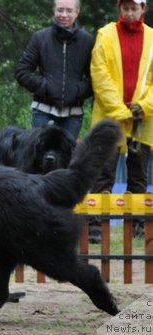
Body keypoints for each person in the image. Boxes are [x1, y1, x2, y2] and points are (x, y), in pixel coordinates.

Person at [88, 0, 153, 243]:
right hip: (109, 117)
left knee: (139, 175)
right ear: (119, 9)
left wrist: (143, 106)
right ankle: (96, 225)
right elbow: (99, 74)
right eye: (124, 8)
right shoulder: (105, 35)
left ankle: (137, 225)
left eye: (133, 8)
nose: (128, 12)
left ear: (143, 9)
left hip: (143, 119)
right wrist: (120, 110)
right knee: (101, 173)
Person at [15, 0, 94, 139]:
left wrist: (78, 90)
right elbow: (22, 71)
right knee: (40, 157)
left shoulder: (87, 41)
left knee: (66, 158)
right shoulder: (40, 38)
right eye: (60, 10)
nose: (64, 15)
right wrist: (44, 86)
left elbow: (95, 77)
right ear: (54, 11)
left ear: (77, 12)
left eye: (69, 11)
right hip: (42, 112)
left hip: (73, 115)